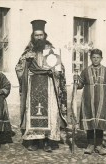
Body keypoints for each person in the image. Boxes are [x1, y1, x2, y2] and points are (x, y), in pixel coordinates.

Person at [15, 19, 67, 152]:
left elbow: (60, 68)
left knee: (50, 113)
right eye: (36, 35)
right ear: (33, 36)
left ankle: (48, 142)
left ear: (45, 35)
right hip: (33, 85)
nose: (39, 37)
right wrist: (26, 63)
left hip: (49, 85)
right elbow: (19, 68)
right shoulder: (28, 51)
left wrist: (55, 71)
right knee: (32, 113)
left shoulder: (51, 50)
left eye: (41, 35)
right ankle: (34, 141)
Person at [73, 49, 106, 155]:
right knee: (90, 123)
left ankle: (99, 145)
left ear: (101, 58)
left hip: (102, 102)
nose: (96, 59)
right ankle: (90, 145)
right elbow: (80, 86)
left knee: (99, 124)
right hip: (88, 101)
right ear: (90, 58)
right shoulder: (85, 71)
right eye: (93, 57)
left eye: (98, 57)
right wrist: (75, 81)